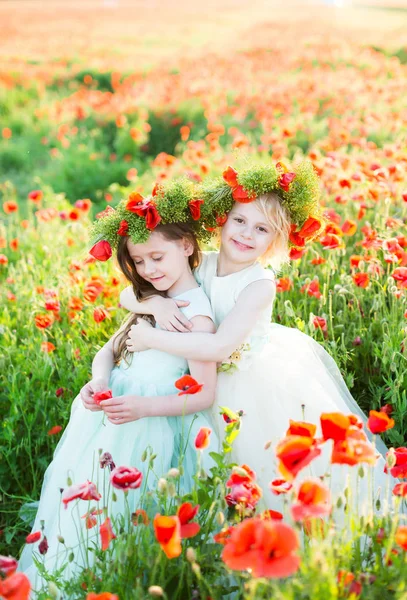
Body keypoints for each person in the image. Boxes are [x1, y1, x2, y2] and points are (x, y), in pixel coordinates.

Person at [121, 160, 398, 516]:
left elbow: (221, 346)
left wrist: (151, 338)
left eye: (262, 229)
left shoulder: (259, 285)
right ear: (223, 219)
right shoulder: (197, 262)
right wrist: (156, 305)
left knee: (260, 466)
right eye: (239, 221)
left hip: (248, 381)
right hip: (199, 372)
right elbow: (127, 295)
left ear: (276, 240)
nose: (246, 234)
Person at [19, 181, 218, 590]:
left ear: (186, 246)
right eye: (138, 261)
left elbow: (204, 393)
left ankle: (121, 583)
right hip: (109, 424)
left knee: (129, 512)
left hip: (151, 428)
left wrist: (144, 408)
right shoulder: (149, 299)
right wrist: (99, 380)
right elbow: (108, 351)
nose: (148, 270)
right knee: (89, 509)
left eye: (156, 257)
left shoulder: (196, 318)